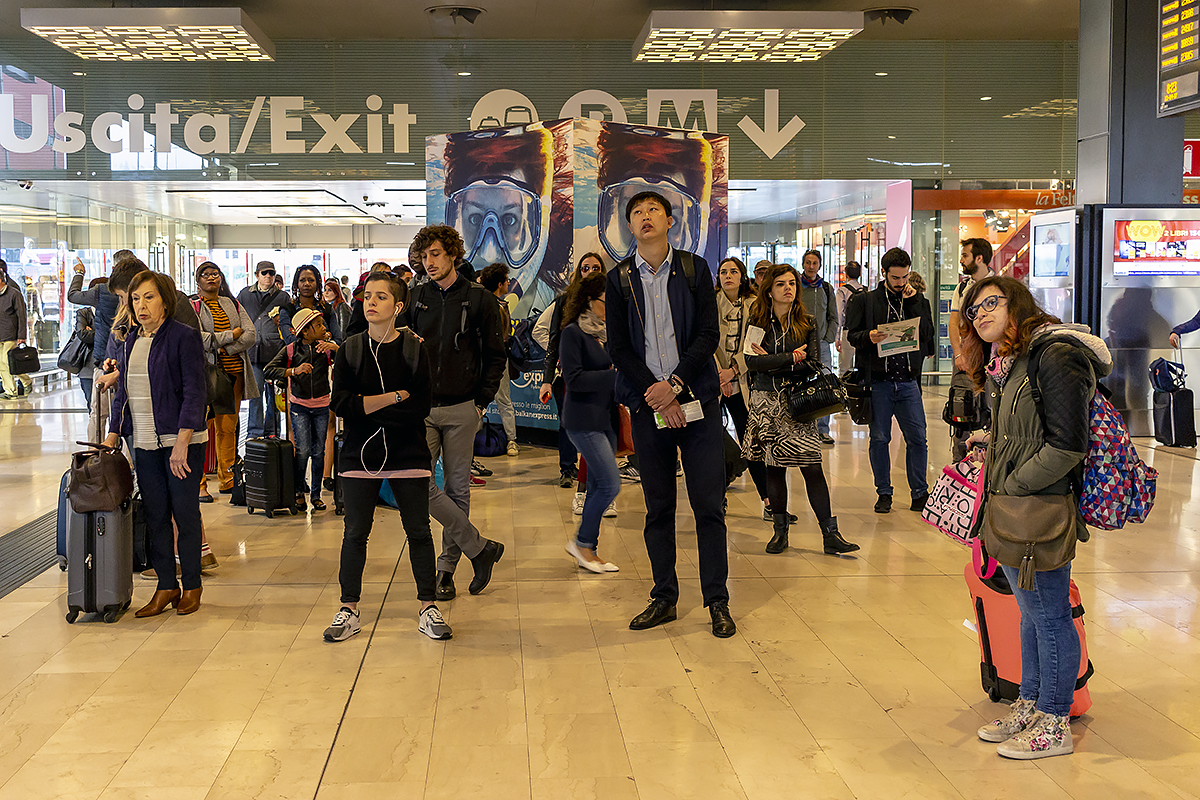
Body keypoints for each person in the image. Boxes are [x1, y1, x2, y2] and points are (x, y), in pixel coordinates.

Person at [960, 276, 1110, 760]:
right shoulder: (1011, 363)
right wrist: (994, 443)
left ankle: (1054, 719)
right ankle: (1030, 701)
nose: (980, 314)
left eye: (990, 303)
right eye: (972, 310)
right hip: (1012, 507)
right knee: (1029, 615)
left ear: (1016, 303)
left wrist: (1018, 481)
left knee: (1049, 618)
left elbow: (1067, 444)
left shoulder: (1055, 354)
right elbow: (1030, 429)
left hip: (1038, 508)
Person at [605, 191, 735, 638]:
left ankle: (717, 600)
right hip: (648, 408)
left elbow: (707, 333)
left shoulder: (695, 269)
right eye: (636, 213)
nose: (644, 218)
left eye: (652, 211)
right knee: (658, 508)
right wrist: (655, 393)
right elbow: (619, 347)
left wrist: (675, 385)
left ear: (669, 221)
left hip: (696, 402)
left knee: (708, 506)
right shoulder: (619, 278)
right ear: (629, 225)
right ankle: (664, 597)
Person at [403, 225, 507, 602]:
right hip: (422, 409)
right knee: (419, 482)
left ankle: (445, 570)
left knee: (457, 490)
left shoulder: (479, 299)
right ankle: (481, 548)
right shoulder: (415, 299)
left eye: (435, 254)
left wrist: (481, 401)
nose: (428, 262)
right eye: (424, 256)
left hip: (464, 407)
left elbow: (496, 356)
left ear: (452, 254)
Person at [102, 271, 208, 617]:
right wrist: (113, 434)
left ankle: (191, 584)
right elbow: (126, 393)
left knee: (185, 513)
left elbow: (195, 393)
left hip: (182, 442)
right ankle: (166, 586)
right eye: (135, 299)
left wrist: (182, 443)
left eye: (149, 297)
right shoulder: (130, 340)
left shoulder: (184, 337)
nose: (141, 305)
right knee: (156, 514)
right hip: (145, 441)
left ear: (165, 300)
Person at [741, 264, 859, 556]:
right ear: (769, 289)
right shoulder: (757, 321)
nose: (788, 289)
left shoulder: (807, 321)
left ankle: (830, 534)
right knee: (775, 468)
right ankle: (780, 533)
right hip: (766, 402)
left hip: (797, 403)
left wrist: (774, 359)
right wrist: (789, 358)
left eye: (792, 283)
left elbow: (813, 363)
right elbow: (752, 363)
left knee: (812, 468)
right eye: (781, 284)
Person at [845, 247, 936, 514]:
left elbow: (928, 334)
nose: (900, 283)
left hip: (908, 381)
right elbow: (852, 334)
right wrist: (868, 337)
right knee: (880, 438)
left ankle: (920, 492)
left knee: (918, 438)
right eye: (895, 278)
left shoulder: (918, 301)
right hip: (879, 381)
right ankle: (883, 492)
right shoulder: (867, 301)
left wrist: (913, 302)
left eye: (904, 277)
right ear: (884, 274)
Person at [559, 271, 621, 573]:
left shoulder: (607, 333)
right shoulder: (573, 333)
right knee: (610, 485)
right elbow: (575, 378)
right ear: (588, 301)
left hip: (606, 417)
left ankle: (588, 548)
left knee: (599, 485)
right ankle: (582, 543)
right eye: (605, 302)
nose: (609, 308)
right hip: (582, 420)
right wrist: (616, 376)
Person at [540, 253, 607, 487]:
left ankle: (595, 475)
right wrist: (547, 379)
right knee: (567, 422)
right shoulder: (564, 301)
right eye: (585, 267)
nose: (590, 271)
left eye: (596, 267)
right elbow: (553, 340)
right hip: (570, 375)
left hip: (602, 374)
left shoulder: (609, 300)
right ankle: (568, 469)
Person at [193, 262, 258, 497]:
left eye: (215, 274)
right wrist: (230, 335)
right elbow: (197, 337)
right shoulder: (194, 306)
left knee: (227, 429)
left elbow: (251, 334)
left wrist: (224, 348)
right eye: (205, 274)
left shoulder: (231, 303)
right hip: (207, 377)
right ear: (197, 280)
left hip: (235, 374)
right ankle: (199, 485)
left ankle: (227, 478)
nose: (211, 278)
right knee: (202, 430)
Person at [264, 308, 336, 511]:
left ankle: (316, 495)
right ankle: (298, 492)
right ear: (305, 331)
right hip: (299, 406)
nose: (324, 329)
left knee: (319, 452)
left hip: (322, 404)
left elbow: (348, 358)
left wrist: (335, 347)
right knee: (303, 450)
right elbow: (269, 369)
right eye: (319, 325)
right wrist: (293, 371)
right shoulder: (290, 350)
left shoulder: (326, 348)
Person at [714, 256, 771, 516]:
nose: (728, 276)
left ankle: (770, 501)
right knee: (712, 443)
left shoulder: (754, 305)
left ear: (742, 276)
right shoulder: (709, 303)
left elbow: (755, 344)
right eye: (723, 271)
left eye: (733, 271)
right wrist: (720, 374)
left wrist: (733, 371)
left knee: (752, 442)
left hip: (743, 381)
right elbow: (702, 339)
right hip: (714, 381)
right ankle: (717, 499)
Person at [949, 238, 997, 460]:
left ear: (979, 258)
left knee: (991, 410)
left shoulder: (1000, 287)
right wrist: (959, 353)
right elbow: (954, 322)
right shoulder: (962, 287)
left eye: (965, 255)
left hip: (992, 360)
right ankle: (960, 466)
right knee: (962, 411)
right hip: (965, 360)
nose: (961, 260)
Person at [68, 252, 126, 430]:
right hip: (130, 360)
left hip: (104, 360)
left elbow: (73, 295)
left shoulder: (102, 291)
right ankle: (125, 456)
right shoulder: (143, 291)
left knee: (98, 413)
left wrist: (79, 273)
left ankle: (97, 454)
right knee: (127, 414)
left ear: (114, 268)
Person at [237, 261, 289, 439]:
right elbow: (238, 319)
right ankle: (255, 432)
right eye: (264, 273)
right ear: (256, 274)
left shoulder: (282, 297)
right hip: (253, 351)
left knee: (274, 396)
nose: (268, 276)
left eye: (271, 273)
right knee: (255, 393)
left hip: (275, 352)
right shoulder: (245, 295)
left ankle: (272, 431)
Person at [479, 263, 519, 455]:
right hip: (496, 359)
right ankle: (512, 440)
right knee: (504, 400)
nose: (508, 284)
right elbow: (504, 335)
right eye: (506, 280)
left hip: (485, 359)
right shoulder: (497, 305)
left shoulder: (487, 303)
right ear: (500, 283)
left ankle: (511, 440)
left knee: (484, 402)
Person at [799, 250, 838, 445]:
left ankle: (823, 429)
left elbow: (833, 317)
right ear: (803, 264)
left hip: (821, 345)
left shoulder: (827, 288)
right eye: (808, 262)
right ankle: (803, 426)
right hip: (800, 344)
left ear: (819, 266)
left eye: (814, 263)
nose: (811, 266)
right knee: (801, 383)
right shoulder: (796, 287)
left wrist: (827, 338)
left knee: (825, 384)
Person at [281, 265, 342, 345]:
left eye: (311, 280)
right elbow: (291, 341)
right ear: (297, 284)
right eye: (302, 280)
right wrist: (325, 338)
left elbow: (338, 340)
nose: (306, 284)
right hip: (298, 357)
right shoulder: (287, 310)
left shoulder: (327, 310)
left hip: (325, 356)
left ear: (317, 284)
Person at [0, 260, 31, 400]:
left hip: (10, 334)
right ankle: (10, 391)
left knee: (8, 362)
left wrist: (22, 336)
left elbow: (22, 316)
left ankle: (26, 380)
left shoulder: (14, 293)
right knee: (2, 364)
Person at [834, 260, 866, 365]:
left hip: (848, 332)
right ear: (860, 274)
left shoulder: (842, 291)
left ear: (846, 274)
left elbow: (839, 313)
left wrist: (837, 336)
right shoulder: (866, 290)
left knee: (845, 367)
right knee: (862, 365)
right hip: (863, 332)